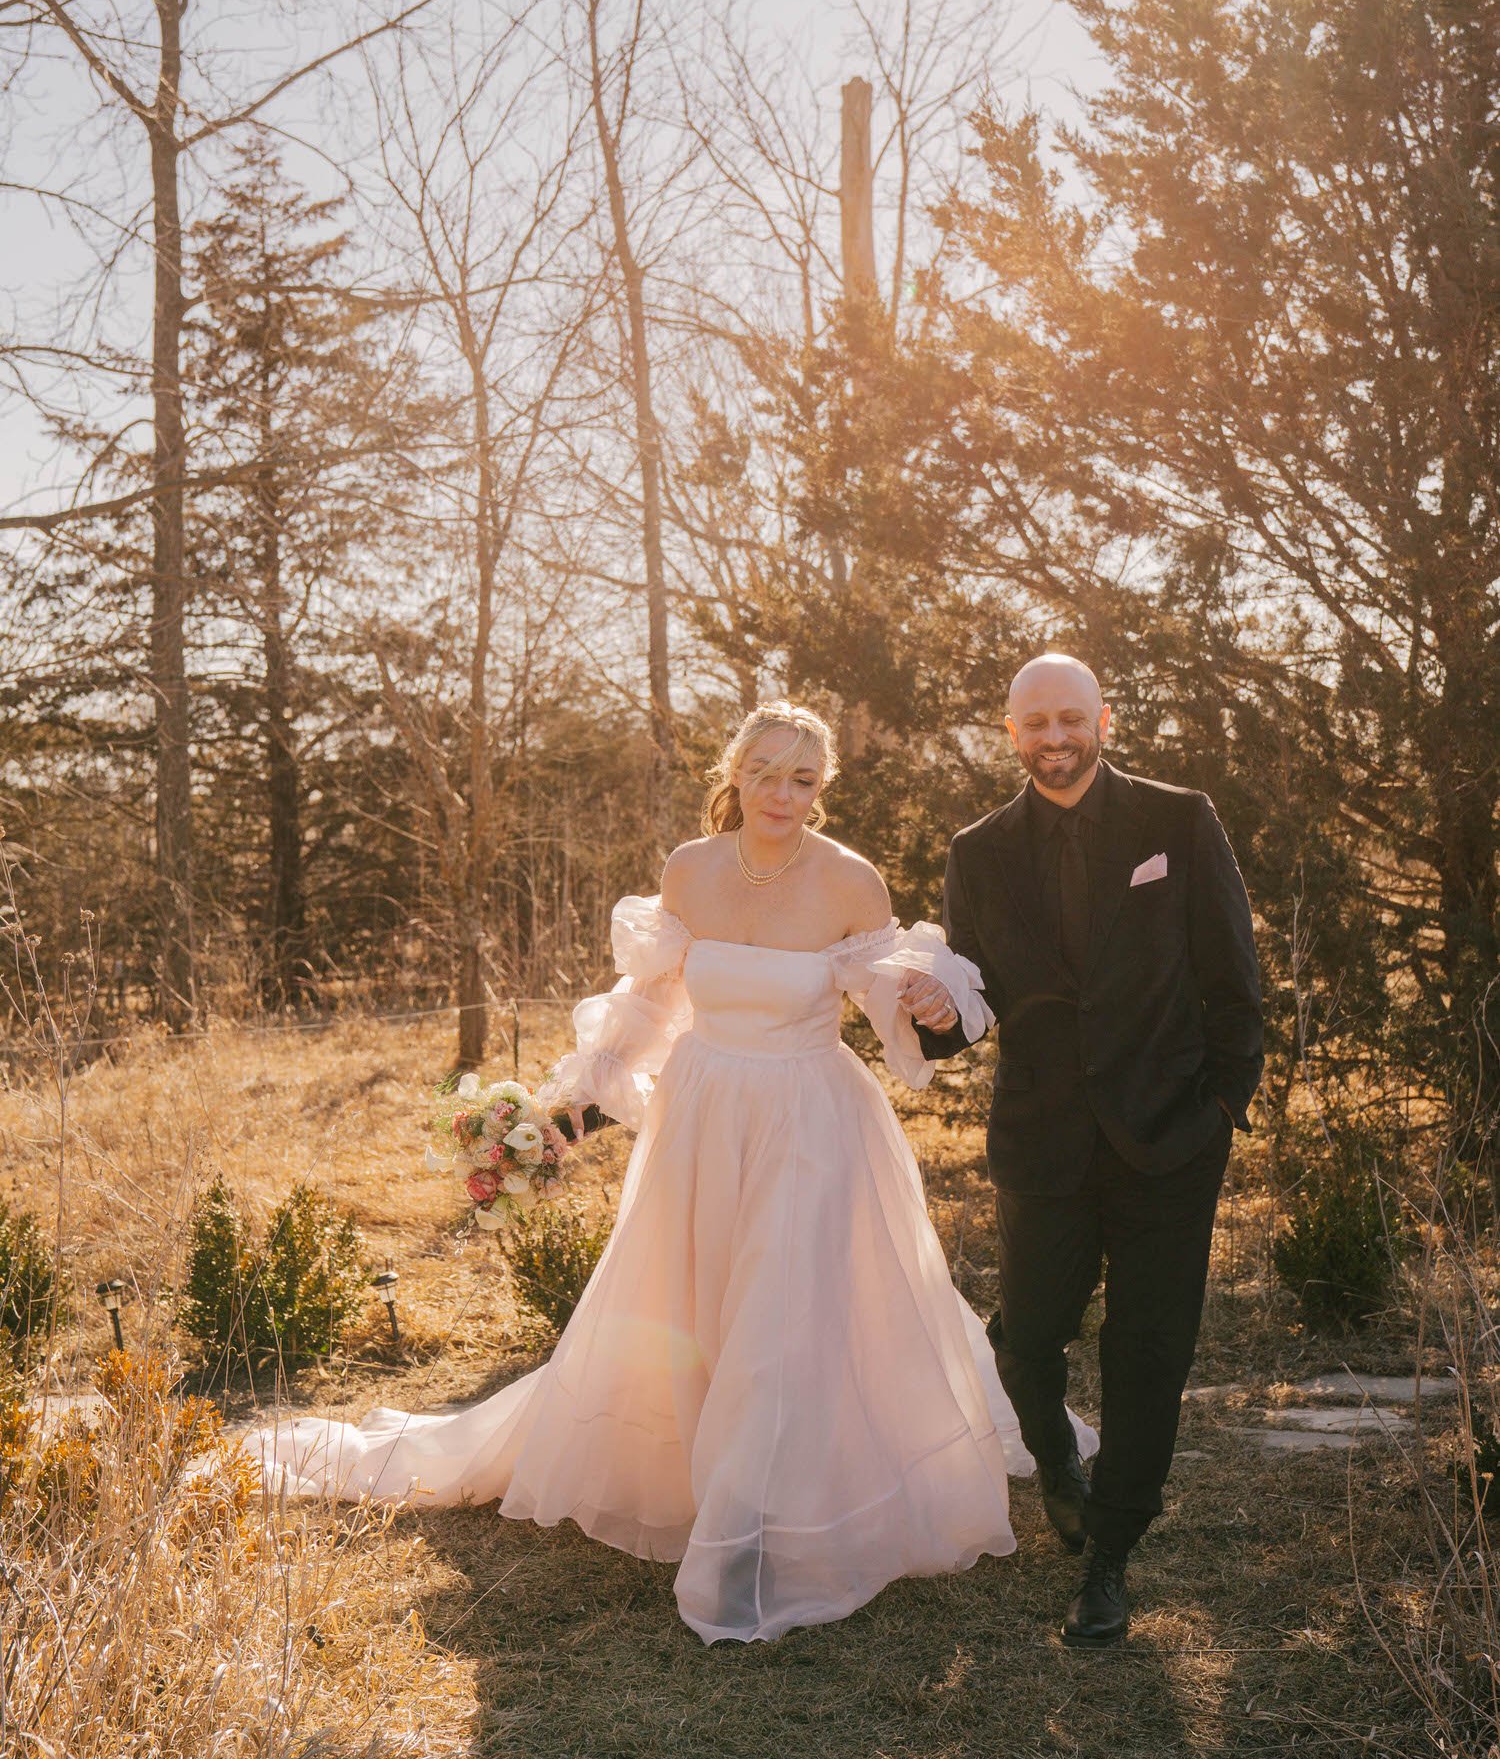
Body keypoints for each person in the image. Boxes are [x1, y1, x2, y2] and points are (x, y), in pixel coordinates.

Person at [244, 701, 1097, 1645]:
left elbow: (897, 999)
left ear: (823, 788)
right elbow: (654, 1009)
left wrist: (930, 994)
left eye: (804, 779)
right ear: (733, 771)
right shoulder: (689, 871)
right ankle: (707, 1480)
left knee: (783, 1312)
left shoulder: (850, 880)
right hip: (701, 1116)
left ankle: (757, 1528)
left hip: (811, 1120)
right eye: (767, 772)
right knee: (695, 1302)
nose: (784, 794)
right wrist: (569, 1106)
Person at [915, 655, 1263, 1647]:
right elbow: (969, 1006)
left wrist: (1222, 1104)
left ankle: (1109, 1555)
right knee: (1025, 1338)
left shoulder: (1177, 821)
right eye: (1036, 723)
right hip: (1045, 1140)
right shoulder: (977, 850)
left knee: (1148, 1353)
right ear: (1010, 731)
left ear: (1103, 718)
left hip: (1171, 1140)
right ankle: (1058, 1467)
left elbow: (1232, 973)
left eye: (1072, 718)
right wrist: (937, 1018)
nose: (1056, 738)